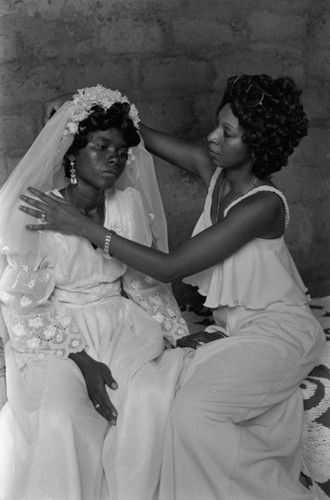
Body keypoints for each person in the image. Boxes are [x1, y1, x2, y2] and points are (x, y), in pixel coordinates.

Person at [25, 74, 326, 500]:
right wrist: (81, 104)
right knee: (162, 400)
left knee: (192, 414)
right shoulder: (213, 169)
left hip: (280, 330)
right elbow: (136, 133)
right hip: (236, 329)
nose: (212, 138)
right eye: (216, 125)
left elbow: (169, 268)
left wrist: (86, 228)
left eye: (228, 133)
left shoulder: (262, 205)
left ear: (256, 144)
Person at [0, 85, 190, 500]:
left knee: (149, 400)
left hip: (121, 327)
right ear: (72, 151)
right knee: (61, 416)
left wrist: (176, 329)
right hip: (55, 334)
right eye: (101, 146)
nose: (113, 158)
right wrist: (82, 360)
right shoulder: (33, 207)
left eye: (121, 151)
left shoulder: (129, 204)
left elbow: (140, 279)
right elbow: (22, 303)